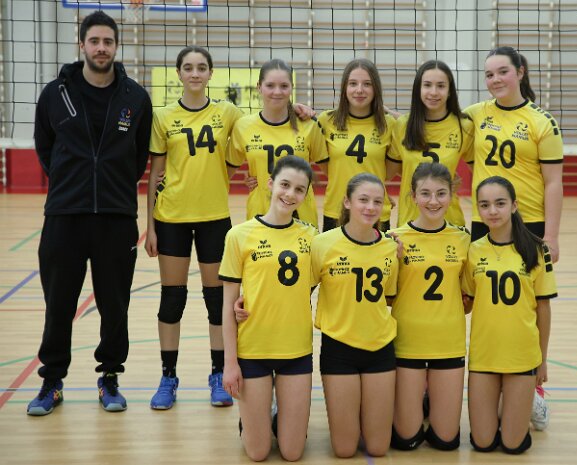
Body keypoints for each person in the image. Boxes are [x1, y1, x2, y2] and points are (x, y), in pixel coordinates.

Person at [28, 10, 152, 415]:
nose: (101, 48)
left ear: (116, 47)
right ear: (81, 44)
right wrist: (72, 182)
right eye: (94, 41)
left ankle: (110, 377)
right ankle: (51, 381)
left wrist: (111, 185)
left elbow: (138, 157)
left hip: (116, 217)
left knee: (115, 306)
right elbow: (45, 147)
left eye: (108, 42)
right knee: (59, 304)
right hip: (65, 215)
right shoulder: (54, 94)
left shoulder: (135, 98)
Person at [145, 46, 246, 409]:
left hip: (214, 218)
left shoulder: (227, 112)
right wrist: (149, 226)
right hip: (171, 217)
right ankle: (168, 377)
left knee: (217, 301)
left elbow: (260, 129)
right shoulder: (163, 117)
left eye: (201, 67)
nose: (195, 73)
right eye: (188, 67)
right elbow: (156, 173)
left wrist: (299, 111)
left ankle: (218, 374)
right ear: (179, 74)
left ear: (210, 73)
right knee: (172, 299)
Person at [221, 156, 317, 461]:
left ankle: (276, 416)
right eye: (285, 185)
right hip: (254, 350)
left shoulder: (313, 237)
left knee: (292, 452)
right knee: (258, 452)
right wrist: (229, 364)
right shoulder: (239, 235)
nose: (290, 194)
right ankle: (252, 421)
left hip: (295, 350)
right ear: (270, 183)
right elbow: (227, 307)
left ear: (306, 195)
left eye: (299, 189)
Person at [462, 176, 556, 455]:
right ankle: (511, 402)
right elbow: (467, 302)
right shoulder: (473, 250)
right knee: (483, 443)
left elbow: (543, 308)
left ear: (514, 205)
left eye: (500, 203)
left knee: (513, 446)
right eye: (485, 205)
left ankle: (531, 401)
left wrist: (542, 360)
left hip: (521, 355)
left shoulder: (537, 249)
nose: (492, 211)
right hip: (485, 354)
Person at [311, 173, 399, 458]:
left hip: (380, 347)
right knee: (345, 450)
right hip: (339, 348)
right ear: (347, 202)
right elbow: (299, 291)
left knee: (378, 448)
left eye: (377, 202)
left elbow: (389, 296)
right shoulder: (322, 244)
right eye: (363, 200)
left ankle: (364, 417)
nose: (370, 207)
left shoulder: (391, 247)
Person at [389, 162, 470, 451]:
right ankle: (417, 401)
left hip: (448, 343)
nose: (433, 201)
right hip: (407, 342)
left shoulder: (464, 239)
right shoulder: (394, 239)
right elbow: (385, 297)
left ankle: (428, 399)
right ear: (413, 196)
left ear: (451, 195)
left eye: (441, 194)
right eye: (425, 194)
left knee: (446, 442)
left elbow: (469, 297)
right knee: (406, 440)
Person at [465, 46, 563, 263]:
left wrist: (552, 237)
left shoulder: (543, 122)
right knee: (482, 282)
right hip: (485, 217)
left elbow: (553, 182)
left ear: (520, 73)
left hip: (528, 219)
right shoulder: (475, 113)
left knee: (529, 283)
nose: (496, 79)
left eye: (503, 72)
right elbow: (436, 125)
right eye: (489, 75)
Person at [228, 59, 328, 228]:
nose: (277, 92)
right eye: (270, 85)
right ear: (259, 87)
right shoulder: (243, 126)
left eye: (284, 86)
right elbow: (224, 172)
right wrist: (254, 175)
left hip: (302, 216)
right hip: (260, 213)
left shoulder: (309, 126)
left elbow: (332, 171)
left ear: (291, 87)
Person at [388, 60, 474, 227]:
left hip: (450, 222)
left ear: (449, 91)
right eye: (427, 85)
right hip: (410, 221)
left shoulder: (464, 126)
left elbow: (480, 171)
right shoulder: (403, 125)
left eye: (441, 86)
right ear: (418, 89)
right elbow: (388, 172)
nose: (433, 92)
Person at [317, 58, 395, 232]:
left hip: (374, 211)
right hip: (336, 210)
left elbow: (388, 173)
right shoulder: (327, 121)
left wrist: (391, 113)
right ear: (345, 87)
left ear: (376, 88)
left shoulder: (389, 124)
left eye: (367, 84)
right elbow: (326, 167)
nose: (359, 90)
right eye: (353, 83)